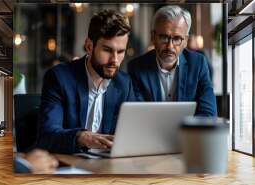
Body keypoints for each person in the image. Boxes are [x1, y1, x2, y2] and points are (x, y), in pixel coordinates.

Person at [36, 9, 135, 154]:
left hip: (107, 165)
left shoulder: (124, 83)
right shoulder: (59, 78)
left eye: (120, 52)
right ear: (89, 46)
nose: (114, 60)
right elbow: (47, 135)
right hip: (67, 164)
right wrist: (81, 137)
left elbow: (132, 132)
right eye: (107, 50)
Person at [127, 5, 217, 116]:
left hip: (188, 133)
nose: (169, 46)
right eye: (164, 37)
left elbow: (208, 114)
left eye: (177, 39)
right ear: (153, 37)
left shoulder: (198, 64)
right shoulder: (136, 68)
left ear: (185, 41)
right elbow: (137, 115)